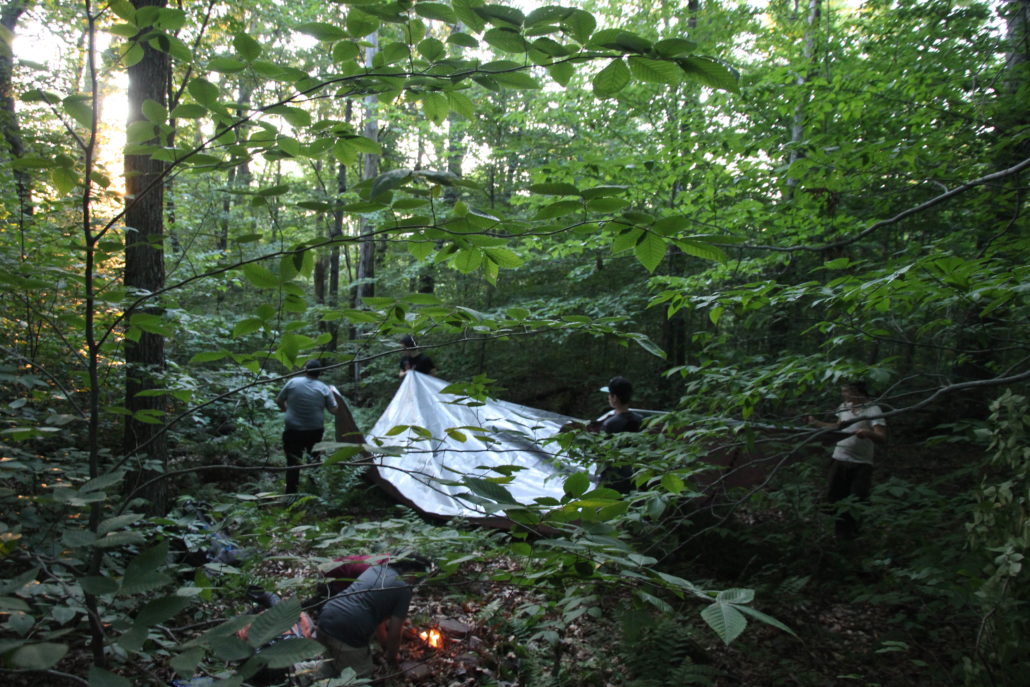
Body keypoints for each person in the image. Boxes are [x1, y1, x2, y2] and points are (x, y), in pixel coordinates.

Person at [315, 556, 431, 679]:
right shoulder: (403, 588)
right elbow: (395, 632)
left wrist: (385, 647)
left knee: (330, 666)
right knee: (361, 676)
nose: (415, 582)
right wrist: (392, 659)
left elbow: (379, 623)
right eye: (417, 578)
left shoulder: (376, 569)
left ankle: (305, 674)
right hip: (348, 630)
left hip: (326, 616)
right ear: (412, 572)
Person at [807, 381, 888, 540]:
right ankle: (838, 534)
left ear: (857, 391)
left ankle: (854, 535)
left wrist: (867, 433)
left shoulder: (873, 409)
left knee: (857, 499)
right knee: (835, 497)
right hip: (839, 458)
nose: (843, 394)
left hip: (861, 463)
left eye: (846, 391)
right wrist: (817, 423)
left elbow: (882, 437)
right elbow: (837, 427)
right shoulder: (844, 407)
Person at [275, 359, 339, 494]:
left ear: (305, 370)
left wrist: (287, 411)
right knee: (314, 461)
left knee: (292, 462)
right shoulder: (324, 388)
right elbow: (334, 410)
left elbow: (279, 400)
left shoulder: (293, 382)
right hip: (314, 431)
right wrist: (333, 396)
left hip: (293, 430)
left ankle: (291, 494)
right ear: (319, 373)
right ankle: (314, 492)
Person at [587, 376, 643, 491]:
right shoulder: (640, 420)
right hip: (634, 477)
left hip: (612, 479)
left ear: (614, 398)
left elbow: (601, 454)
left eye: (610, 395)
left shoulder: (610, 424)